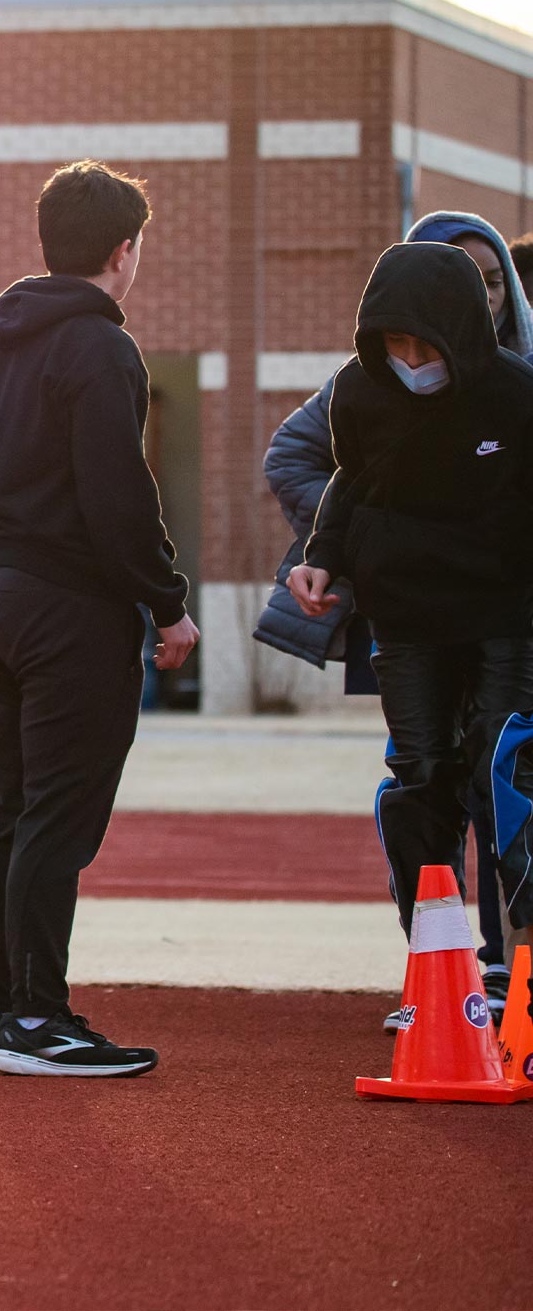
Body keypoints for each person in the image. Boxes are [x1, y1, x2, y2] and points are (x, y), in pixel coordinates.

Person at [0, 160, 197, 1078]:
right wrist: (168, 603)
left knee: (15, 811)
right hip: (68, 609)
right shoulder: (99, 349)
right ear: (123, 250)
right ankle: (37, 1018)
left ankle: (0, 1012)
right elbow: (117, 497)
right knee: (56, 817)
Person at [266, 209, 530, 1008]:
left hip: (504, 616)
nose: (412, 362)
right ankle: (438, 971)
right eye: (396, 344)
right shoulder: (361, 390)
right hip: (407, 619)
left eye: (426, 345)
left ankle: (516, 969)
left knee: (505, 772)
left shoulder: (516, 394)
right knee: (421, 781)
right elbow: (349, 479)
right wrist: (322, 556)